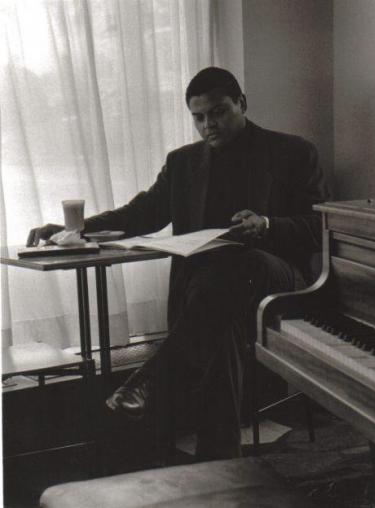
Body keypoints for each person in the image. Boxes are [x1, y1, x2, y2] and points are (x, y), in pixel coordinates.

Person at [27, 67, 329, 461]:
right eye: (198, 117)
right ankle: (219, 466)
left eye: (218, 112)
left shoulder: (293, 152)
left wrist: (268, 225)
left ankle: (150, 380)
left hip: (277, 282)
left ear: (242, 103)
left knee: (240, 267)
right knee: (220, 322)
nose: (208, 125)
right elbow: (139, 214)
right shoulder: (183, 162)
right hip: (211, 294)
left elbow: (321, 228)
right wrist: (74, 228)